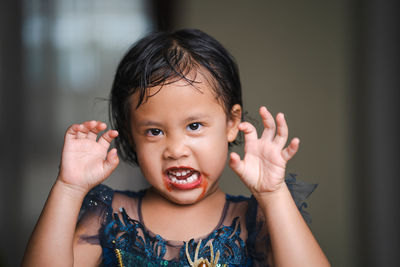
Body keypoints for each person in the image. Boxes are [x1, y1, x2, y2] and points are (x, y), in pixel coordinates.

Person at [22, 29, 330, 266]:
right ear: (130, 136)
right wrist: (68, 189)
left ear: (232, 123)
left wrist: (273, 195)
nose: (175, 149)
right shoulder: (109, 218)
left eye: (194, 126)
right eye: (154, 131)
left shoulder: (257, 220)